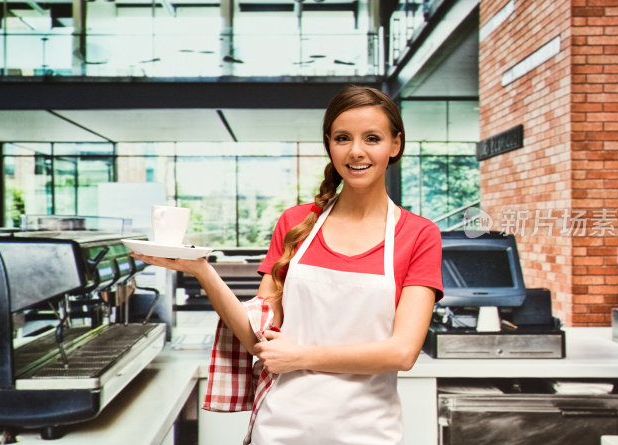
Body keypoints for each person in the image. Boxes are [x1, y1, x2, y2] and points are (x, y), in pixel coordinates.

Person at [131, 85, 443, 444]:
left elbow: (402, 353)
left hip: (368, 433)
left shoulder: (419, 234)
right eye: (343, 138)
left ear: (395, 144)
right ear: (329, 144)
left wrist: (301, 356)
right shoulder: (296, 224)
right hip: (281, 429)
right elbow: (258, 338)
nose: (356, 151)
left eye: (372, 138)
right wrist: (203, 270)